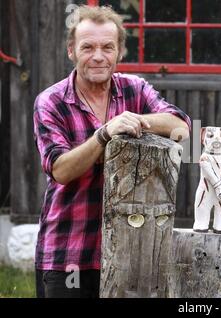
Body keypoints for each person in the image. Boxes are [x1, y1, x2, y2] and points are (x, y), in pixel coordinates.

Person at [33, 5, 191, 298]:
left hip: (130, 249)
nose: (98, 56)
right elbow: (61, 170)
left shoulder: (135, 89)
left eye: (108, 47)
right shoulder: (51, 102)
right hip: (69, 250)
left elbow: (181, 126)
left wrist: (138, 120)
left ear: (119, 52)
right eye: (87, 47)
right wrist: (104, 134)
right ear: (71, 51)